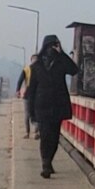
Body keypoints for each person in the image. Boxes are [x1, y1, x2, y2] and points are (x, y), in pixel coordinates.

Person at [26, 35, 79, 179]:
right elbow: (31, 91)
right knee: (45, 136)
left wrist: (62, 53)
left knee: (54, 137)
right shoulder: (36, 67)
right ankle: (45, 164)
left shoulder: (61, 63)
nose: (52, 49)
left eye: (55, 45)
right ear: (45, 47)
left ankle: (49, 161)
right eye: (50, 46)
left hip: (58, 106)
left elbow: (74, 70)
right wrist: (31, 113)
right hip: (41, 106)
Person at [16, 54, 39, 140]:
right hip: (37, 95)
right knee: (36, 113)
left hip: (28, 95)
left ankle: (28, 133)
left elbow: (20, 81)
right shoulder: (41, 69)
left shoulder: (26, 69)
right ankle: (36, 132)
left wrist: (18, 91)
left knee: (27, 114)